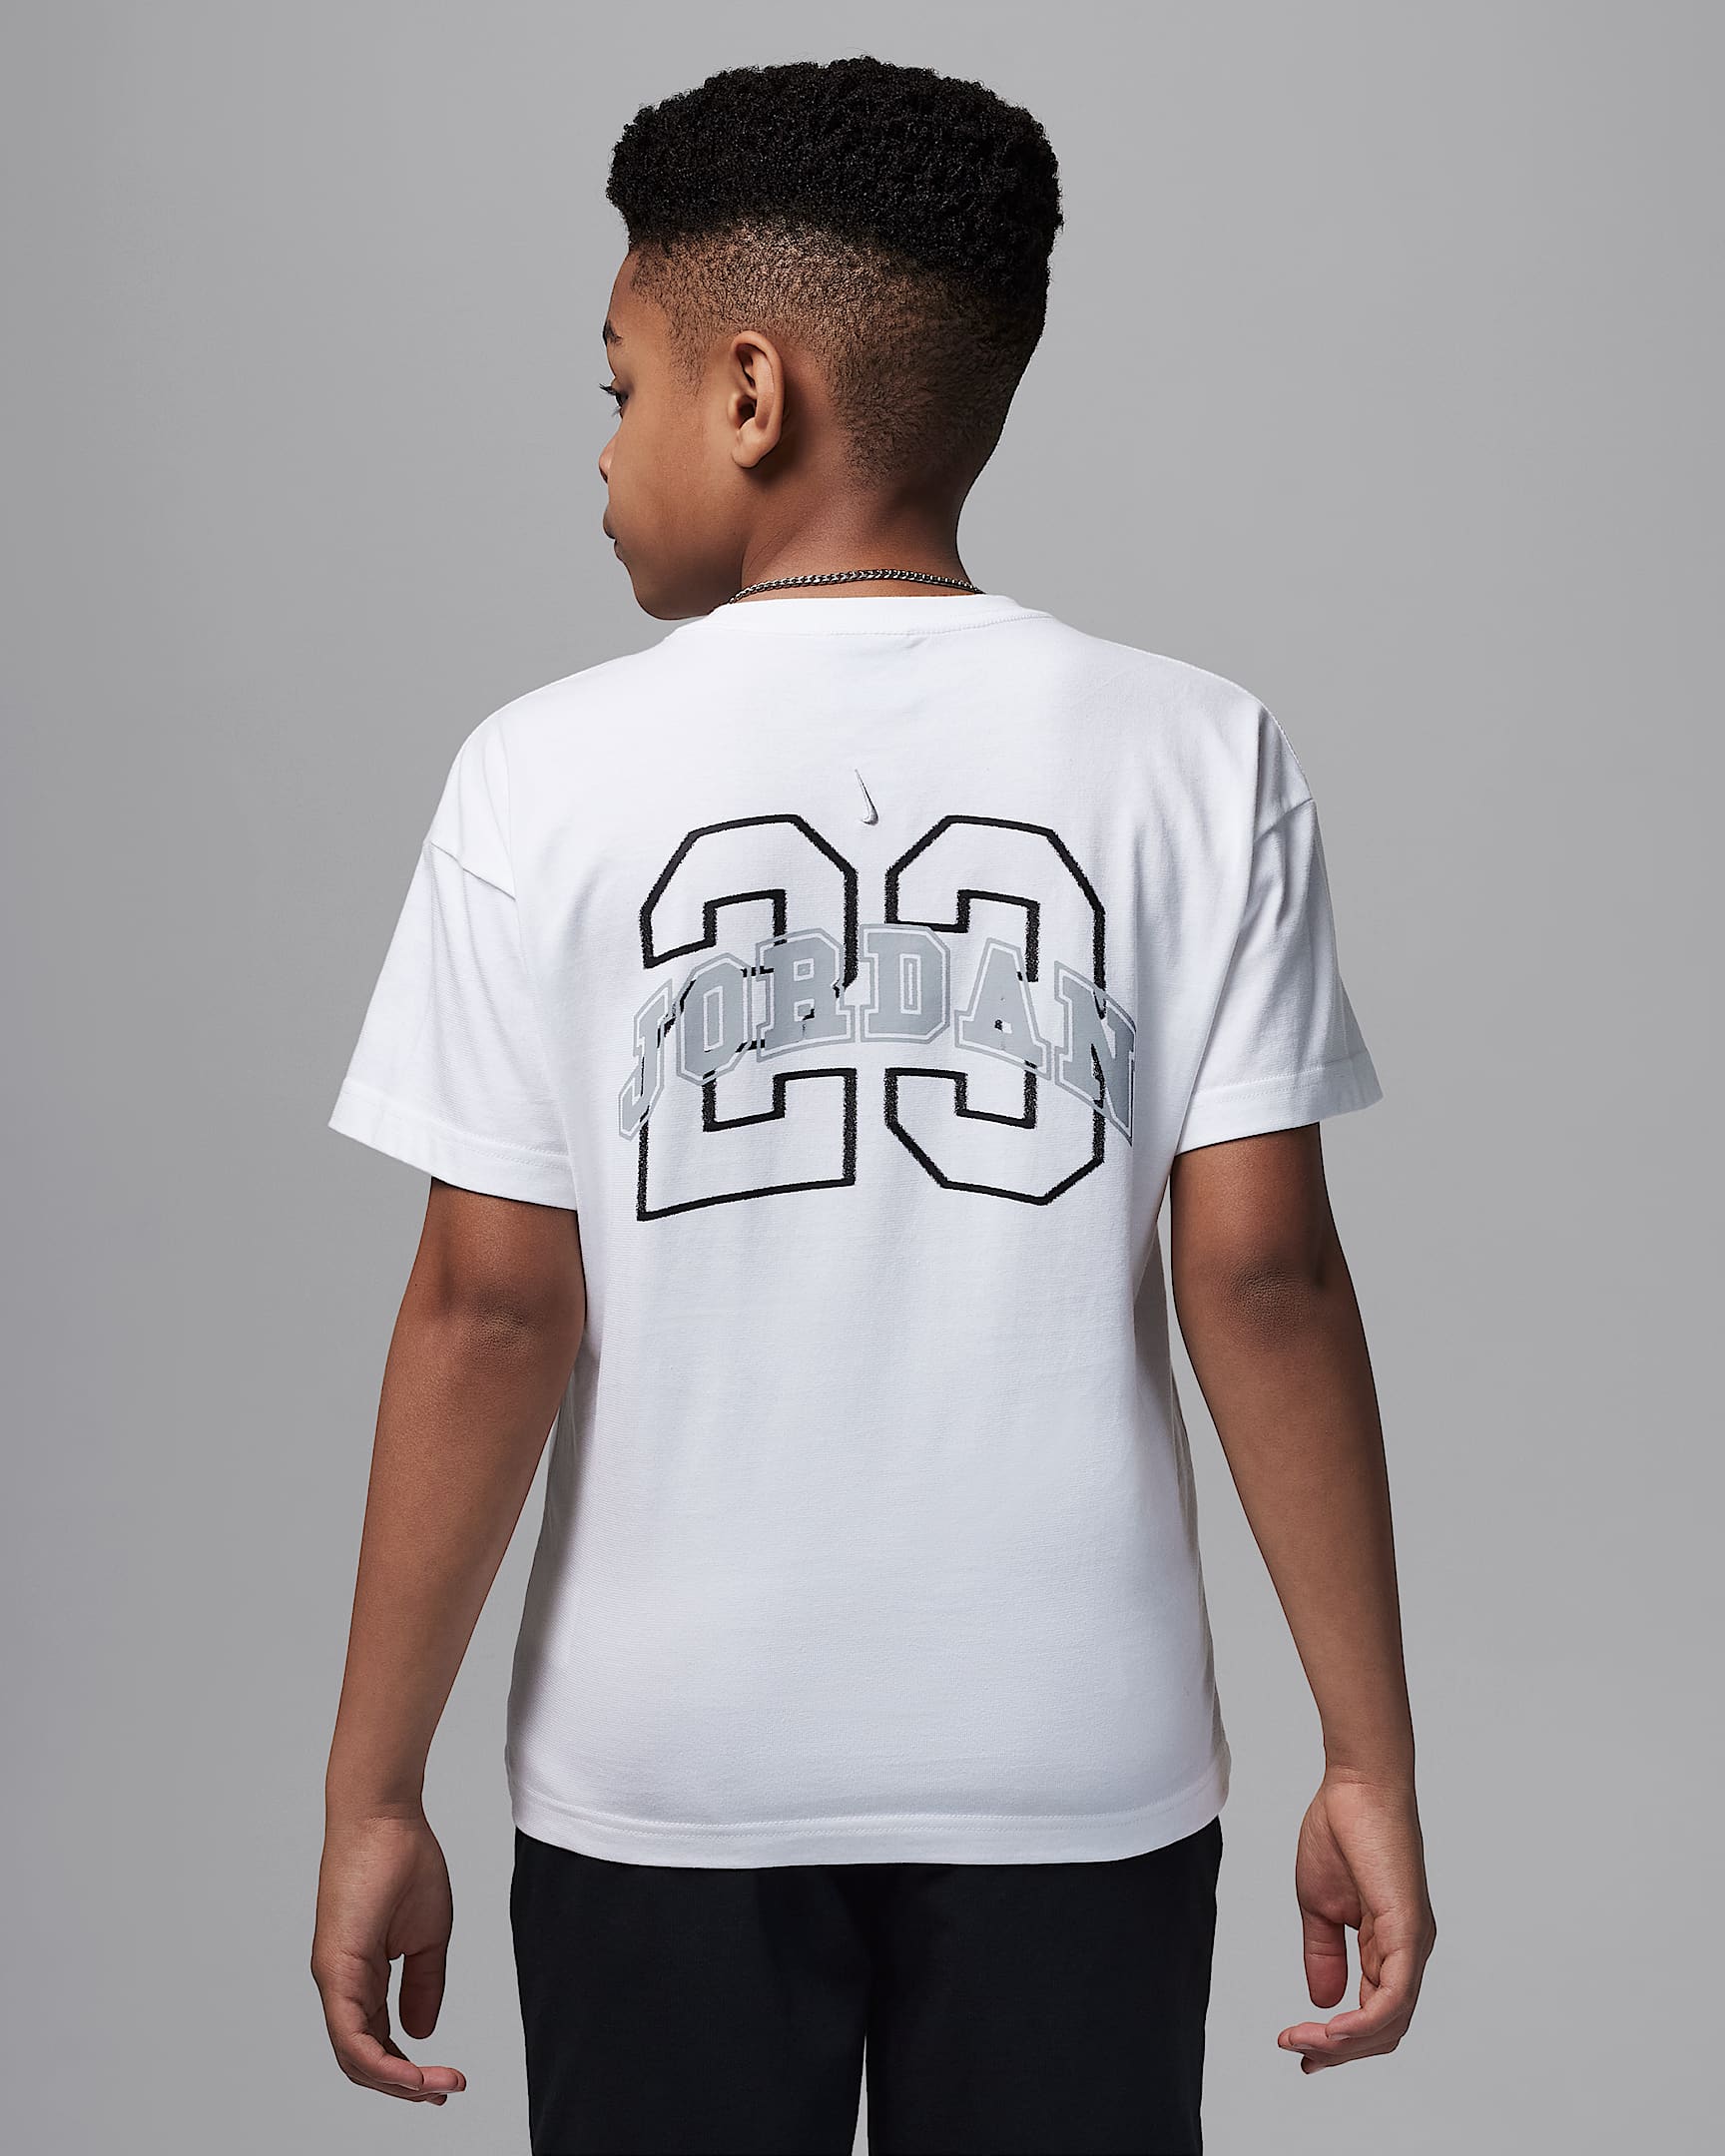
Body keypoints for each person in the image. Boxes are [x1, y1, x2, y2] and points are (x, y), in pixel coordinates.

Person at [310, 54, 1435, 2156]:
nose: (604, 449)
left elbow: (488, 1309)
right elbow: (1264, 1277)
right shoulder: (1200, 756)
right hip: (1076, 1760)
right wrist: (1366, 1754)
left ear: (752, 394)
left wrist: (377, 1787)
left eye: (620, 383)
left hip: (664, 1767)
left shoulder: (537, 779)